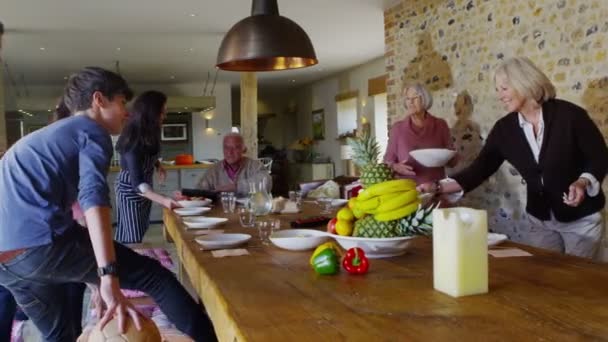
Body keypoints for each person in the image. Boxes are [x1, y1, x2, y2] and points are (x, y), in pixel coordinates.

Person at [0, 67, 216, 341]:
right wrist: (107, 275)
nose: (127, 112)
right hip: (39, 246)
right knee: (155, 277)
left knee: (60, 335)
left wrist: (93, 278)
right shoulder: (90, 131)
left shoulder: (48, 136)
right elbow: (93, 201)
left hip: (7, 261)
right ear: (98, 100)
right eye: (122, 102)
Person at [419, 57, 608, 258]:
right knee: (545, 280)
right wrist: (437, 187)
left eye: (504, 88)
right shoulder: (504, 129)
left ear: (523, 83)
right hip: (539, 221)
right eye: (498, 89)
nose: (500, 96)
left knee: (575, 281)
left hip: (581, 222)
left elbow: (599, 156)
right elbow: (479, 169)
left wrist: (582, 181)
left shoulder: (570, 116)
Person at [114, 90, 180, 243]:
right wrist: (164, 200)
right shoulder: (133, 138)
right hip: (130, 189)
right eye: (161, 112)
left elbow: (147, 154)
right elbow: (138, 185)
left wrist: (158, 165)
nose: (164, 115)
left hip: (145, 186)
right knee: (132, 235)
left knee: (142, 227)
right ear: (151, 113)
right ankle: (125, 262)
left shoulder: (150, 131)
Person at [384, 82, 458, 185]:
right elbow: (387, 162)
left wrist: (450, 156)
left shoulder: (441, 125)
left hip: (435, 188)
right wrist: (396, 167)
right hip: (407, 190)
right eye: (408, 99)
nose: (410, 102)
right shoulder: (398, 129)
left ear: (425, 99)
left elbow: (452, 162)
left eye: (415, 98)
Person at [176, 133, 271, 198]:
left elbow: (266, 183)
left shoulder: (255, 166)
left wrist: (235, 187)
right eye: (226, 147)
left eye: (236, 147)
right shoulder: (213, 170)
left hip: (250, 215)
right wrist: (188, 196)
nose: (230, 152)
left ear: (243, 149)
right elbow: (201, 191)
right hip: (221, 217)